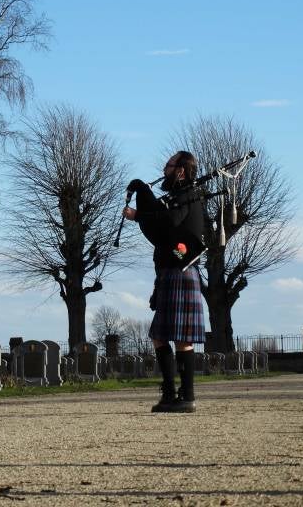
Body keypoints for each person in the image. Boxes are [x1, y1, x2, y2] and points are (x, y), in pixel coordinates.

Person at [123, 151, 205, 413]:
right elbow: (163, 228)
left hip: (181, 271)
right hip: (171, 270)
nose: (164, 169)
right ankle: (169, 394)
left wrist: (139, 215)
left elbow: (169, 222)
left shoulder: (188, 194)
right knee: (159, 336)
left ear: (180, 170)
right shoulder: (180, 195)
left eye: (169, 165)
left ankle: (187, 396)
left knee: (181, 338)